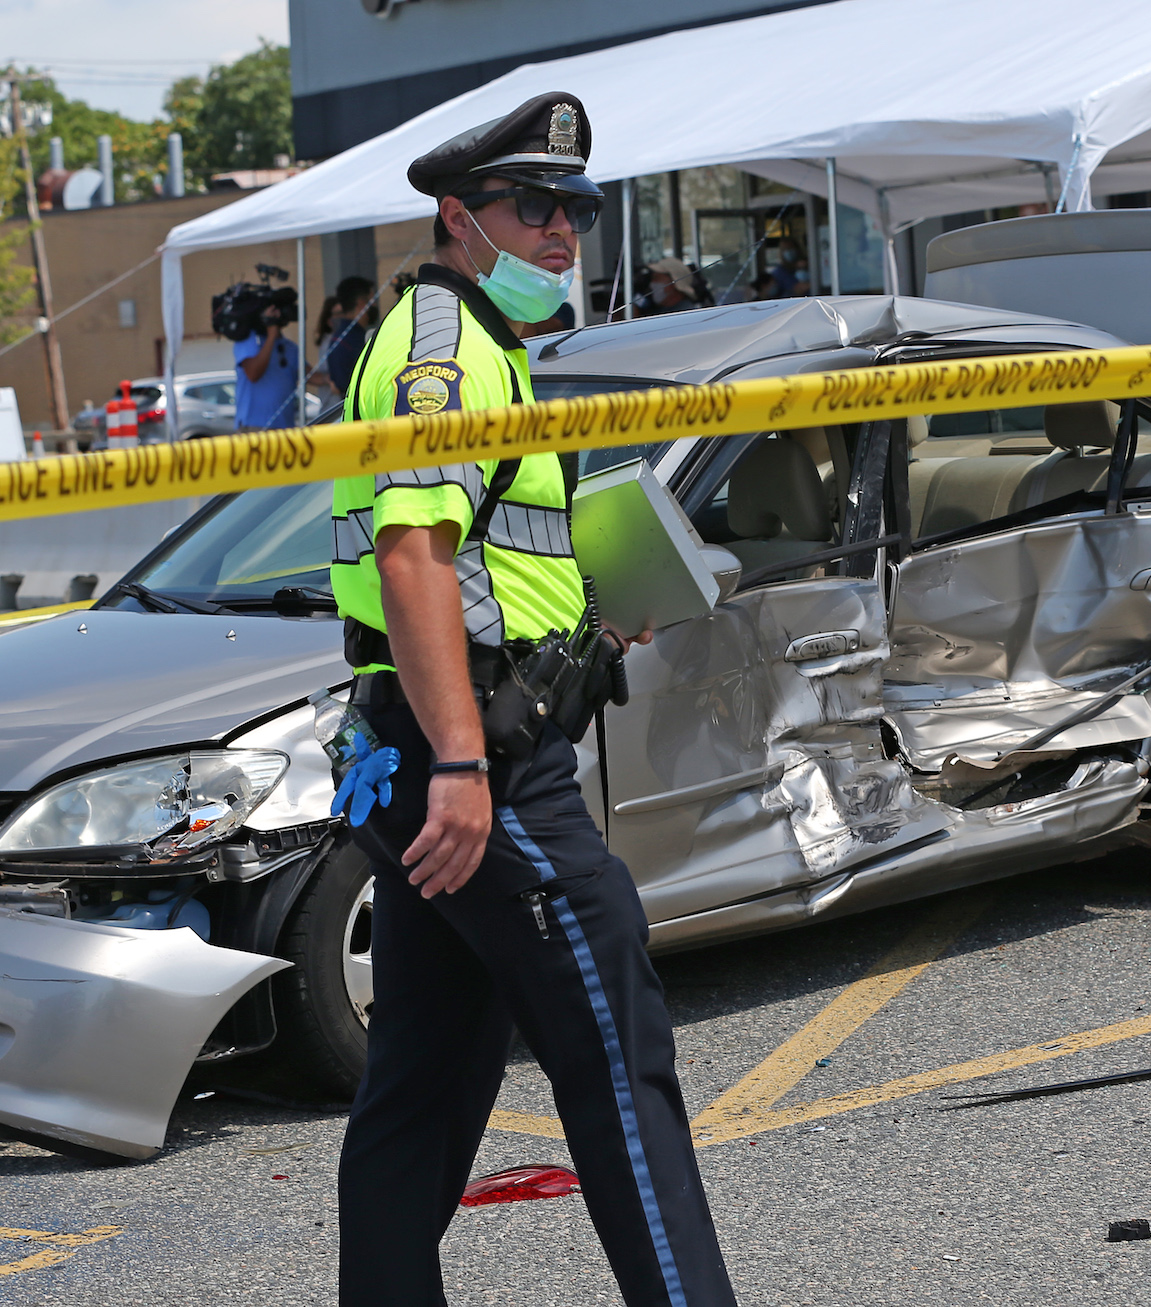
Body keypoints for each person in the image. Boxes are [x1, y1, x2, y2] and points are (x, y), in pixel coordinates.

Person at [329, 92, 740, 1307]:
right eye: (532, 206)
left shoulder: (484, 347)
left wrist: (594, 618)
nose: (561, 231)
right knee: (620, 1058)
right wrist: (461, 762)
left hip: (439, 750)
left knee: (422, 1084)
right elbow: (412, 553)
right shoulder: (444, 351)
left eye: (576, 209)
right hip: (482, 773)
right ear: (460, 218)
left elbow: (477, 566)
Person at [309, 275, 379, 402]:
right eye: (372, 300)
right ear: (361, 303)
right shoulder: (355, 340)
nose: (374, 304)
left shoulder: (339, 338)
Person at [233, 300, 299, 431]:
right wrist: (271, 337)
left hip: (285, 427)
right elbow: (253, 374)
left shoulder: (290, 347)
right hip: (254, 426)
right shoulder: (247, 341)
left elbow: (309, 374)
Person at [635, 256, 701, 315]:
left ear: (673, 283)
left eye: (656, 278)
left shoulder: (684, 314)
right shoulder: (662, 311)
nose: (652, 283)